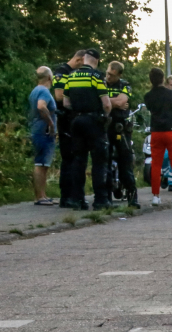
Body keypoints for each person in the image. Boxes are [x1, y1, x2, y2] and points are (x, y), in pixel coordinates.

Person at [63, 48, 113, 210]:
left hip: (76, 121)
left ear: (84, 59)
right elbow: (106, 103)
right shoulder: (96, 76)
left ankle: (77, 199)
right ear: (97, 61)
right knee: (99, 161)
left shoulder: (71, 76)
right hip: (94, 121)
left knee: (79, 161)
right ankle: (100, 200)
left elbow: (66, 103)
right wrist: (105, 115)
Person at [144, 67, 172, 208]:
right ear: (163, 79)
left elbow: (150, 109)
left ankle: (155, 196)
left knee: (156, 164)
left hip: (156, 132)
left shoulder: (148, 96)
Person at [52, 50, 86, 208]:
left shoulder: (73, 73)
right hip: (65, 120)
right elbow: (59, 95)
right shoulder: (62, 72)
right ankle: (66, 196)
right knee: (68, 158)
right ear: (78, 60)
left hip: (74, 120)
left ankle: (73, 194)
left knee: (75, 158)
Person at [105, 61, 140, 208]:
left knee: (125, 163)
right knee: (104, 163)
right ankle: (105, 199)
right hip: (105, 127)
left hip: (122, 129)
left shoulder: (125, 85)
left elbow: (122, 101)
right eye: (107, 73)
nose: (108, 77)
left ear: (119, 75)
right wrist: (115, 103)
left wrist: (107, 101)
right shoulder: (101, 83)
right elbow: (115, 103)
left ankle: (132, 199)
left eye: (112, 75)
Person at [29, 66, 57, 206]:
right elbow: (41, 107)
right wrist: (51, 124)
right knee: (40, 163)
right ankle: (39, 197)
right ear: (49, 78)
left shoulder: (35, 90)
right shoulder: (44, 91)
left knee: (44, 164)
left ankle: (43, 195)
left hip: (37, 130)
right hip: (43, 131)